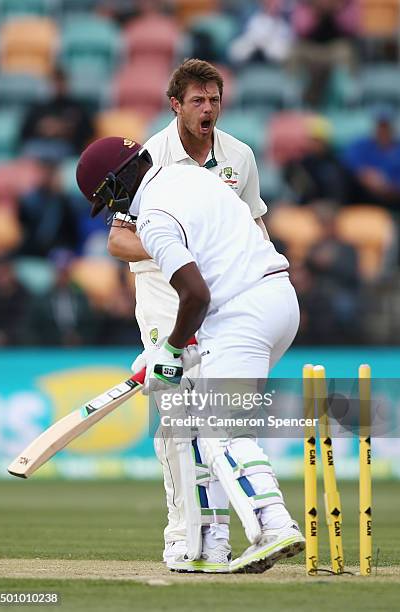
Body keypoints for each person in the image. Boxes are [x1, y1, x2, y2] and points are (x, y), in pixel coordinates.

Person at [76, 136, 305, 574]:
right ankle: (211, 543)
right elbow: (213, 275)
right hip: (275, 301)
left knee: (222, 433)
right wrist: (168, 351)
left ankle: (274, 526)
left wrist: (173, 348)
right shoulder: (191, 178)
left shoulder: (156, 218)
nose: (113, 211)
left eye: (108, 198)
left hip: (240, 314)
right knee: (201, 426)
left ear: (119, 180)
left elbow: (195, 293)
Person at [106, 59, 270, 571]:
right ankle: (184, 538)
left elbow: (255, 228)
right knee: (179, 418)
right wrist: (178, 250)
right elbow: (118, 240)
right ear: (175, 104)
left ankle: (217, 537)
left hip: (221, 298)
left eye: (214, 100)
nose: (207, 110)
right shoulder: (149, 158)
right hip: (164, 296)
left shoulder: (239, 156)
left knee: (216, 415)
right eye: (197, 101)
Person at [342, 107, 400, 209]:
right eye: (380, 126)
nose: (382, 129)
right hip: (364, 198)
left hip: (393, 199)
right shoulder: (361, 145)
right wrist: (366, 175)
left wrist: (387, 186)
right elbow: (348, 164)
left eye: (385, 126)